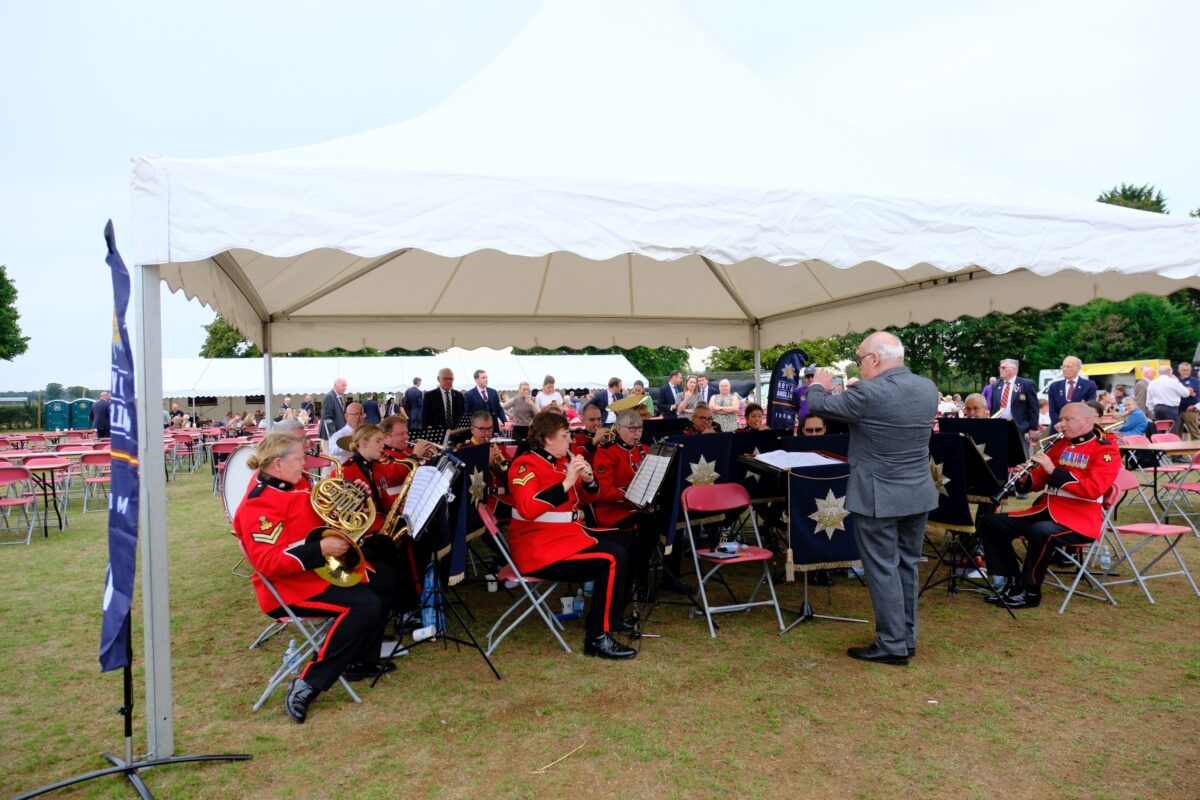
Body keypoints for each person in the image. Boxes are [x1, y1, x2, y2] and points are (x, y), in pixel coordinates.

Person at [232, 432, 396, 723]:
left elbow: (318, 519)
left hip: (315, 573)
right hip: (288, 590)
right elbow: (269, 563)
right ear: (277, 464)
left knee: (386, 580)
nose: (305, 463)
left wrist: (353, 499)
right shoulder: (258, 505)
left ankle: (360, 659)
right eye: (298, 459)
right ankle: (309, 682)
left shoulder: (297, 484)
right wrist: (319, 549)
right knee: (364, 605)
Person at [806, 331, 938, 666]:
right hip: (918, 491)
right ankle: (906, 638)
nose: (859, 366)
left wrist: (819, 382)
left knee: (882, 568)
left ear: (876, 359)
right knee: (907, 564)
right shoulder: (927, 387)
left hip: (879, 494)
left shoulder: (868, 391)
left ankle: (892, 644)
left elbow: (819, 405)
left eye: (861, 359)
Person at [507, 410, 637, 659]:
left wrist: (588, 480)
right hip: (538, 547)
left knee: (627, 540)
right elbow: (528, 508)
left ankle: (613, 617)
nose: (571, 441)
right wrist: (567, 482)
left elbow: (589, 497)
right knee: (612, 557)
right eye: (566, 436)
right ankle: (597, 637)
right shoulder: (525, 465)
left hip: (565, 535)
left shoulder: (560, 462)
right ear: (547, 439)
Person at [978, 403, 1120, 609]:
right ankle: (1014, 581)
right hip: (1047, 510)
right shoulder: (1060, 444)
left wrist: (1054, 471)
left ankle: (1030, 591)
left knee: (1041, 531)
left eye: (1067, 420)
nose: (1061, 425)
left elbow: (1093, 489)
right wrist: (1025, 477)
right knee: (991, 523)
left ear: (1087, 421)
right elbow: (1039, 480)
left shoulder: (1105, 449)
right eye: (1060, 419)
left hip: (1079, 519)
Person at [591, 409, 660, 594]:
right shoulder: (606, 452)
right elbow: (604, 491)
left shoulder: (645, 450)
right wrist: (630, 495)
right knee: (648, 523)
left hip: (641, 509)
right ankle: (640, 578)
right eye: (632, 429)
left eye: (640, 429)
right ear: (619, 428)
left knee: (666, 517)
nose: (637, 434)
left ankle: (664, 576)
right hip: (614, 512)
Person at [989, 359, 1040, 453]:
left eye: (1003, 367)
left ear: (1014, 369)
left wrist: (1033, 428)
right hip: (999, 427)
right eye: (1000, 367)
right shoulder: (996, 386)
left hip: (1019, 428)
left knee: (1020, 457)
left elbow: (1033, 408)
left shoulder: (1027, 384)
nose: (1000, 369)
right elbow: (994, 408)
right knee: (1000, 454)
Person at [1047, 356, 1098, 428]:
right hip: (1058, 428)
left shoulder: (1089, 385)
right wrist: (1059, 423)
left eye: (1068, 367)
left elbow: (1089, 408)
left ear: (1078, 368)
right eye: (1063, 366)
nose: (1065, 369)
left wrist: (1074, 424)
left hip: (1079, 428)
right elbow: (1052, 410)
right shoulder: (1054, 386)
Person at [1146, 364, 1189, 435]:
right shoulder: (1173, 382)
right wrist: (1177, 381)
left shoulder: (1152, 383)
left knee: (1160, 429)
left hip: (1157, 409)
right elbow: (1185, 393)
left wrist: (1153, 410)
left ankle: (1159, 444)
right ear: (1170, 372)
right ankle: (1172, 445)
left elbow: (1149, 401)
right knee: (1173, 429)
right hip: (1171, 409)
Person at [320, 378, 348, 443]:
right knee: (331, 453)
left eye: (346, 386)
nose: (345, 388)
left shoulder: (338, 397)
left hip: (338, 434)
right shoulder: (329, 397)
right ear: (335, 386)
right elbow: (327, 418)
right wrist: (333, 436)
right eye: (343, 385)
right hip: (331, 436)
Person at [1176, 362, 1199, 439]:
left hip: (1190, 409)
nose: (1186, 372)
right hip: (1177, 409)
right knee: (1176, 433)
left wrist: (1183, 392)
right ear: (1179, 370)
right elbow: (1188, 392)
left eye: (1188, 370)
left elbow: (1194, 393)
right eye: (1184, 370)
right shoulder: (1175, 381)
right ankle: (1177, 450)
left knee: (1194, 432)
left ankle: (1197, 449)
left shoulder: (1195, 381)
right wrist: (1187, 391)